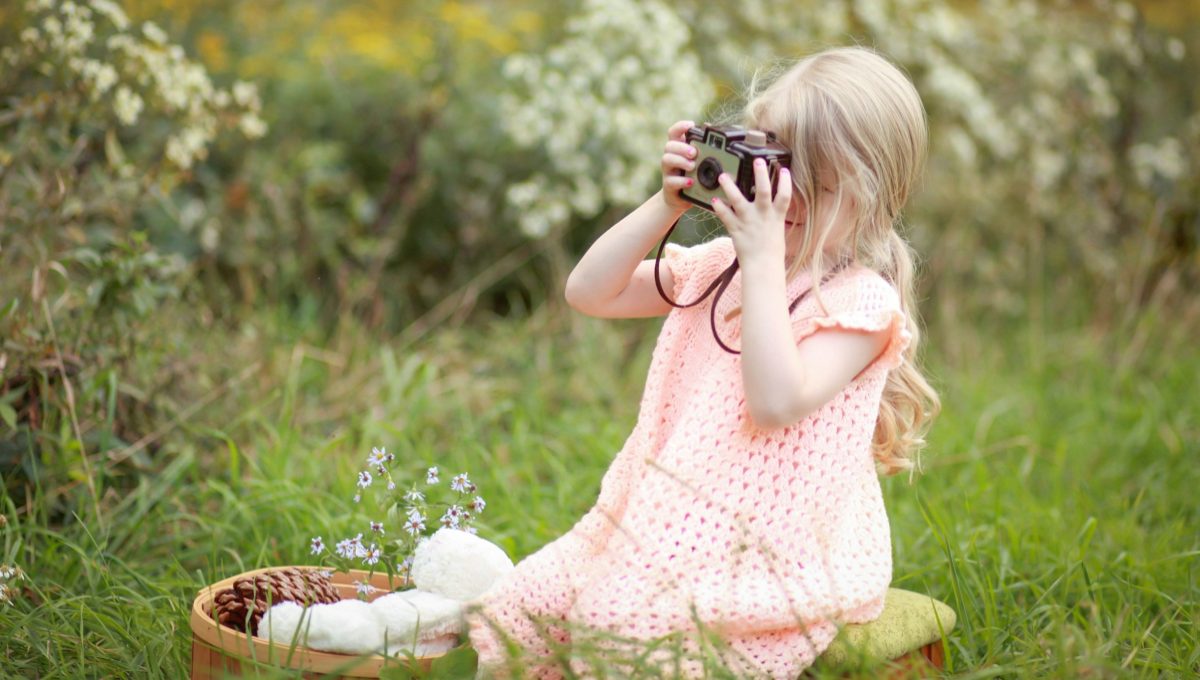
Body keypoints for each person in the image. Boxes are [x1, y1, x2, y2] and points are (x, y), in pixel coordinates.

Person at [464, 46, 940, 679]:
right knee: (520, 605)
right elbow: (590, 292)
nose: (785, 195)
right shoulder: (722, 267)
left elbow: (775, 402)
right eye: (775, 166)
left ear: (875, 193)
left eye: (816, 183)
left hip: (779, 553)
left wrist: (765, 261)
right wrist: (669, 203)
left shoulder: (861, 305)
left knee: (618, 627)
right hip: (665, 526)